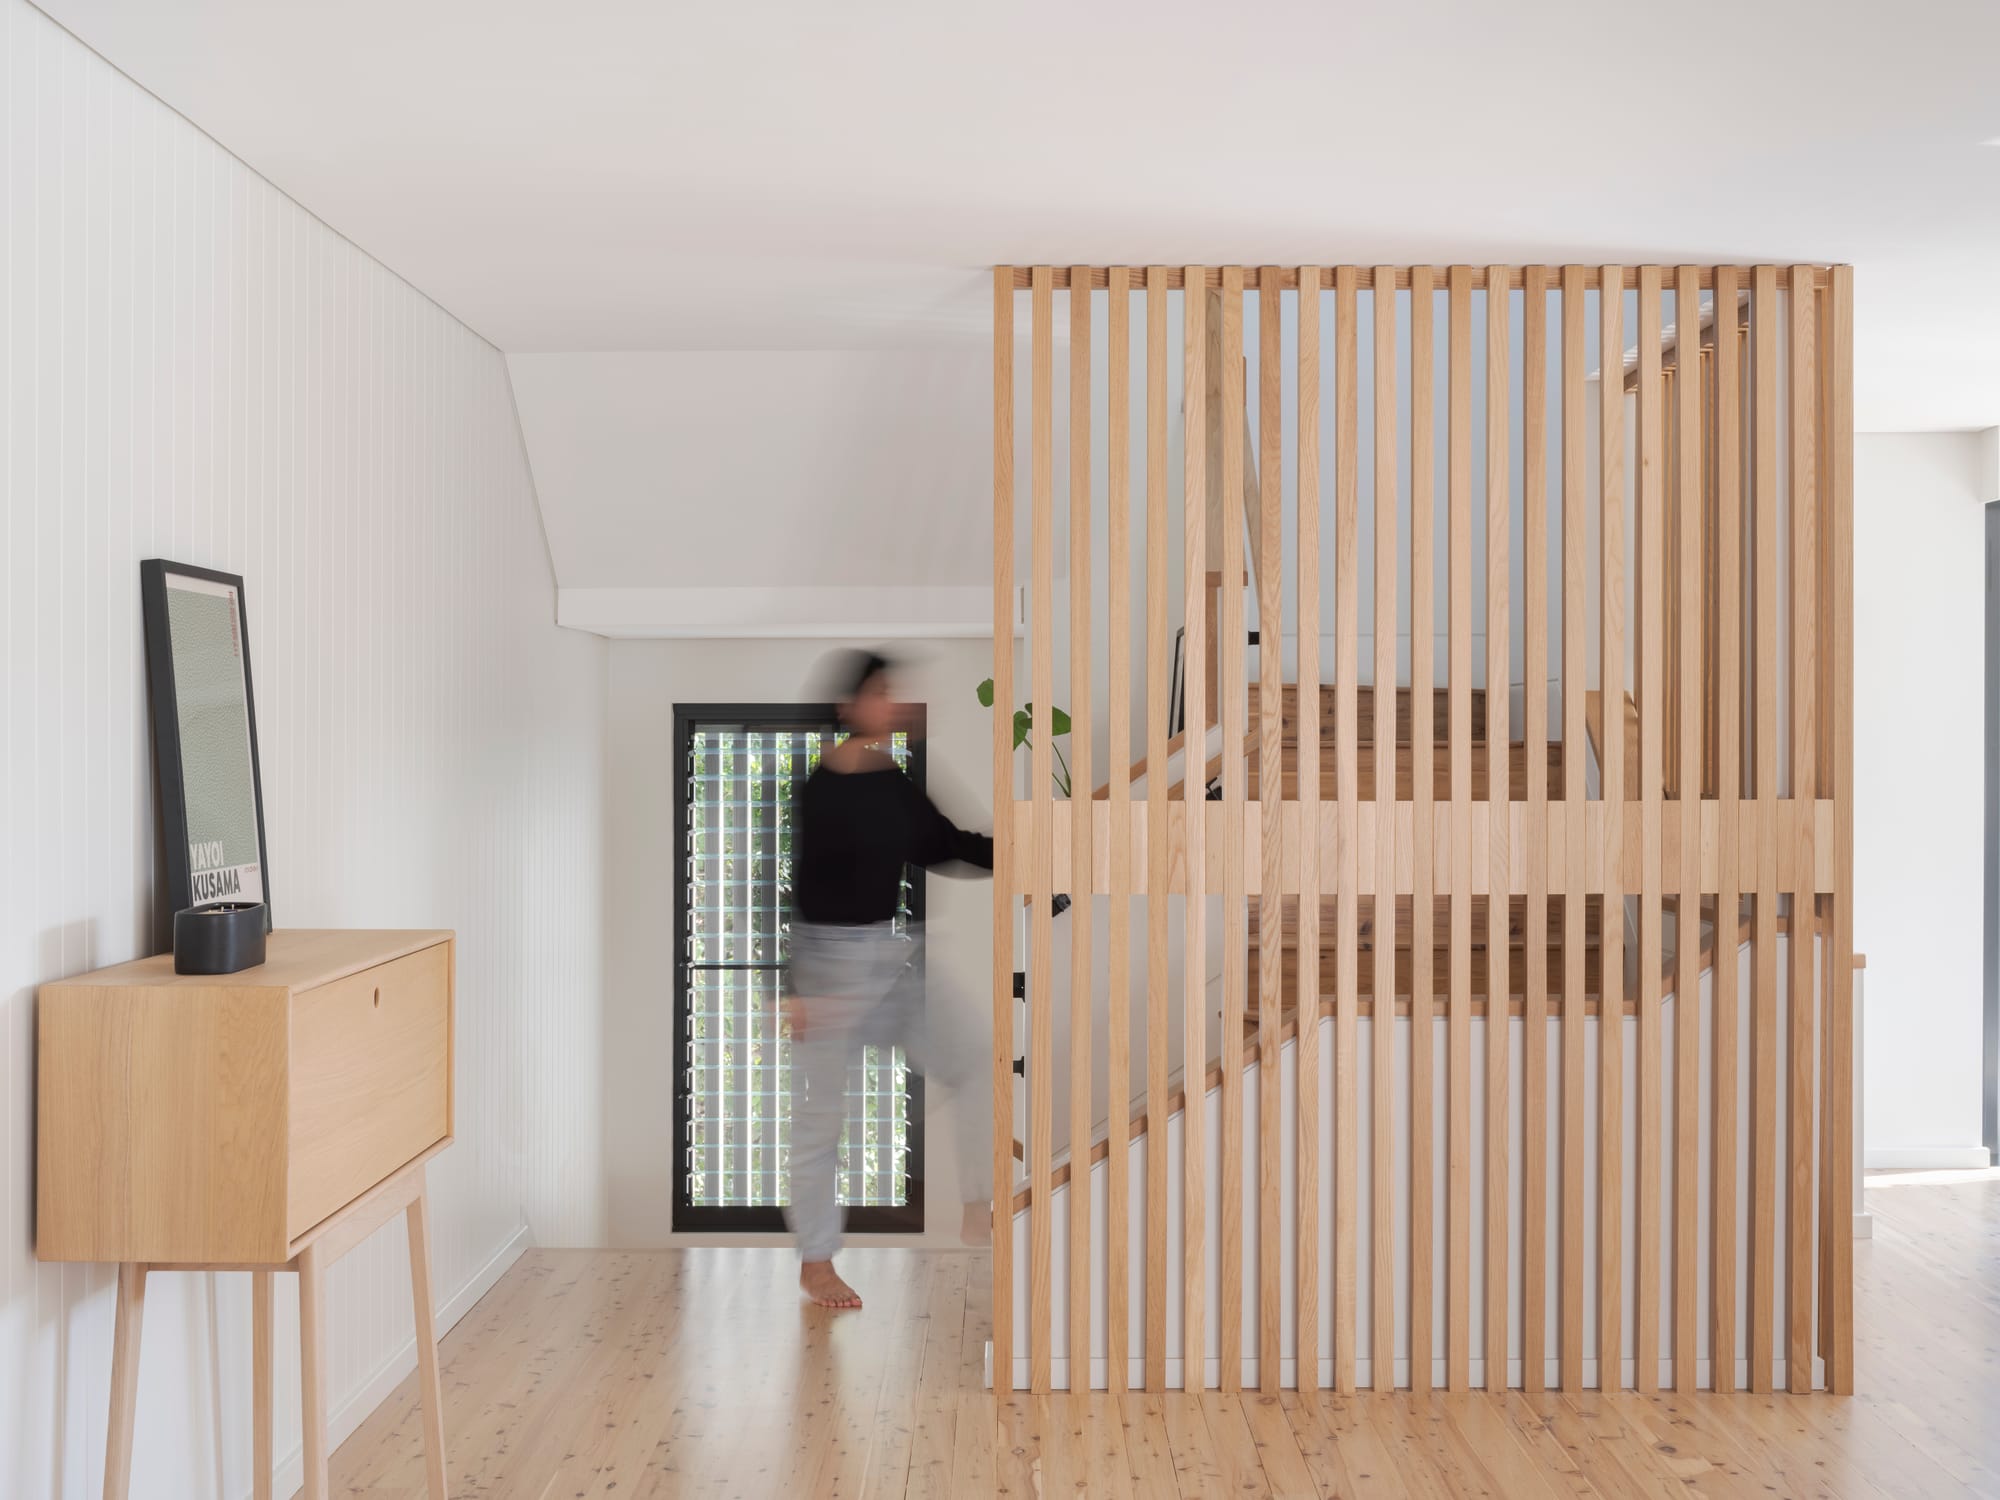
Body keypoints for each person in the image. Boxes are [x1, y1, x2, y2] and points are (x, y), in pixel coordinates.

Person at [786, 650, 995, 1309]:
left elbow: (945, 845)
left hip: (890, 956)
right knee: (820, 1123)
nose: (894, 701)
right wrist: (795, 988)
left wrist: (1026, 846)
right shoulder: (822, 784)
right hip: (828, 966)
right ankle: (816, 1262)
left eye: (892, 692)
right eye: (881, 692)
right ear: (849, 705)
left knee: (977, 1059)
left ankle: (979, 1201)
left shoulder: (892, 781)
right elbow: (799, 887)